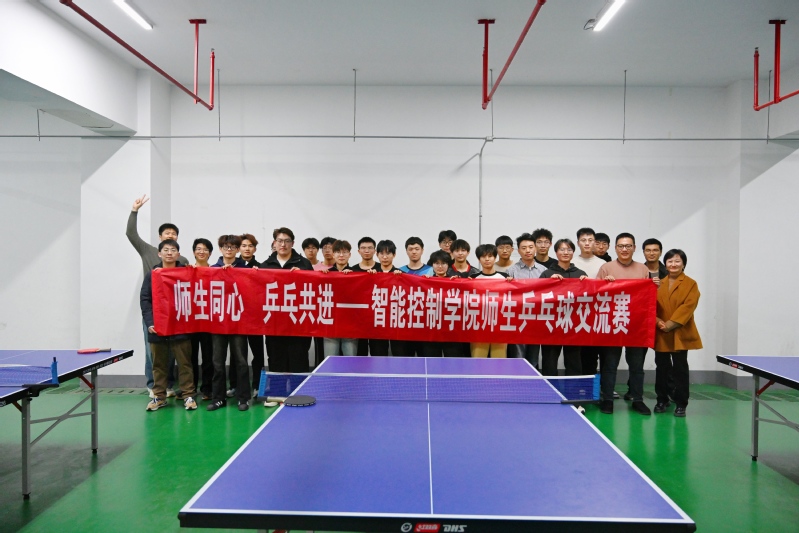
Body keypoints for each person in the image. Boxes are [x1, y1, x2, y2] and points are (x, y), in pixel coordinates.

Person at [127, 194, 188, 399]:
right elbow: (131, 234)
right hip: (154, 310)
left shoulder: (182, 259)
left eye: (174, 234)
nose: (170, 235)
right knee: (151, 349)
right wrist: (134, 211)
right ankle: (152, 385)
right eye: (166, 233)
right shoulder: (148, 251)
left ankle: (168, 384)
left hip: (174, 311)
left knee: (170, 351)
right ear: (160, 236)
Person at [596, 233, 656, 416]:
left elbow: (647, 296)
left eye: (628, 246)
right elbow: (595, 294)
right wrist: (605, 284)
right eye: (621, 246)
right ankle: (607, 399)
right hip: (612, 324)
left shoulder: (643, 269)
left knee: (637, 366)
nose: (624, 249)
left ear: (634, 248)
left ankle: (637, 399)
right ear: (615, 248)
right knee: (609, 365)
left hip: (636, 325)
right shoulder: (606, 267)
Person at [140, 239, 196, 411]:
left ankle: (188, 396)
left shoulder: (186, 273)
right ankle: (159, 396)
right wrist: (150, 323)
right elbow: (145, 300)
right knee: (159, 365)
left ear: (178, 254)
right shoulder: (152, 275)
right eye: (166, 250)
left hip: (180, 326)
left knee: (184, 363)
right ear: (159, 253)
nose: (169, 253)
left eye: (173, 250)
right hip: (158, 327)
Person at [261, 227, 314, 377]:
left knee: (299, 360)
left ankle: (298, 391)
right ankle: (278, 390)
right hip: (274, 323)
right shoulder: (266, 265)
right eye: (280, 241)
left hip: (298, 322)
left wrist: (303, 276)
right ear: (274, 243)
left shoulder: (304, 264)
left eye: (287, 241)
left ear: (293, 243)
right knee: (276, 360)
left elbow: (313, 289)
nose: (283, 244)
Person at [654, 249, 702, 417]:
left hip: (680, 331)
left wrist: (671, 324)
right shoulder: (659, 283)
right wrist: (658, 321)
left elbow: (688, 306)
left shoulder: (691, 284)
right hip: (661, 332)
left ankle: (681, 403)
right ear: (665, 264)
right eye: (670, 261)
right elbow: (650, 305)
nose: (673, 264)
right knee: (662, 368)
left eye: (677, 261)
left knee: (680, 369)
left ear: (683, 264)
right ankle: (662, 399)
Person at [208, 235, 251, 412]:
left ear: (238, 249)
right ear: (220, 249)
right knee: (218, 363)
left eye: (233, 247)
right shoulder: (212, 269)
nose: (229, 250)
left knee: (241, 361)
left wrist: (249, 273)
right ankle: (218, 398)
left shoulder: (245, 269)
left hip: (238, 322)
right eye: (226, 247)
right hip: (218, 323)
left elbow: (252, 291)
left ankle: (243, 398)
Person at [539, 239, 586, 376]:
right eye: (562, 249)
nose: (566, 252)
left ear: (573, 252)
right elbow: (538, 298)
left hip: (573, 324)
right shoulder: (547, 274)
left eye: (569, 249)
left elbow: (587, 300)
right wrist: (548, 283)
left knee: (574, 361)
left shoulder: (580, 274)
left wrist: (588, 284)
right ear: (556, 252)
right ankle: (549, 388)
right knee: (549, 361)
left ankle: (573, 388)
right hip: (551, 325)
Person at [506, 232, 547, 367]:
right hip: (517, 319)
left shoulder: (544, 271)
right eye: (524, 248)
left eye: (530, 247)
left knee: (533, 357)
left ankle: (532, 379)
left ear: (535, 248)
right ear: (518, 251)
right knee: (518, 357)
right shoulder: (511, 271)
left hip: (536, 319)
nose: (528, 251)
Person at [469, 244, 512, 358]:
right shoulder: (472, 278)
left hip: (499, 324)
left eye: (490, 256)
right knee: (478, 360)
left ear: (495, 257)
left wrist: (512, 283)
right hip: (479, 325)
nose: (487, 259)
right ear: (479, 259)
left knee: (499, 361)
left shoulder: (505, 277)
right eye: (483, 257)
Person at [422, 251, 468, 357]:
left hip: (451, 330)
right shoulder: (426, 281)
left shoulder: (456, 280)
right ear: (432, 265)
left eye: (443, 263)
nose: (440, 266)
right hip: (432, 330)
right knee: (432, 361)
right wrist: (422, 282)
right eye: (436, 263)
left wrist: (460, 283)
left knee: (453, 361)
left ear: (448, 265)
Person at [237, 233, 265, 401]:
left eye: (250, 246)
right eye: (244, 246)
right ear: (239, 248)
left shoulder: (261, 267)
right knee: (238, 355)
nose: (247, 249)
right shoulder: (232, 267)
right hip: (238, 318)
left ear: (255, 249)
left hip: (255, 318)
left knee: (258, 354)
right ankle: (236, 386)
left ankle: (257, 385)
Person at [323, 240, 358, 356]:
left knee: (350, 361)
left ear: (350, 254)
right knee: (330, 361)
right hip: (330, 324)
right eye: (338, 252)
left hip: (350, 325)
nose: (341, 255)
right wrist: (321, 276)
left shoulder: (357, 274)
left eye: (345, 252)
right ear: (333, 254)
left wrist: (352, 277)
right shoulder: (326, 273)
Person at [369, 240, 403, 356]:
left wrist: (401, 278)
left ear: (394, 255)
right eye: (381, 253)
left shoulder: (401, 274)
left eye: (388, 253)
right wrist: (369, 277)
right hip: (377, 321)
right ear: (377, 254)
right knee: (378, 354)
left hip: (396, 321)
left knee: (399, 353)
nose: (384, 257)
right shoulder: (371, 274)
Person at [190, 238, 214, 400]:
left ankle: (207, 388)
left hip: (209, 321)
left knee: (208, 357)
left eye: (205, 249)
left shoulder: (215, 271)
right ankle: (190, 387)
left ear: (210, 253)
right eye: (198, 249)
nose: (202, 252)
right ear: (194, 252)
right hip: (191, 321)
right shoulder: (186, 271)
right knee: (190, 356)